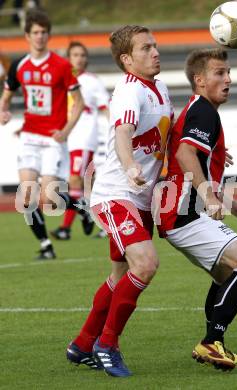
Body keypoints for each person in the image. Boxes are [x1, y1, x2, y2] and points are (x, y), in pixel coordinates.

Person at [66, 25, 173, 377]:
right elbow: (123, 135)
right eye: (146, 48)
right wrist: (129, 168)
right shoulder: (129, 93)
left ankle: (82, 344)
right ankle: (107, 344)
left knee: (119, 276)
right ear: (127, 60)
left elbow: (161, 139)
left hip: (140, 197)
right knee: (145, 264)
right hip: (116, 193)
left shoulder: (159, 87)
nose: (155, 52)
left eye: (155, 46)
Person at [156, 48, 237, 371]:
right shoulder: (204, 111)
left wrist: (231, 203)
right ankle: (210, 342)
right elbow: (186, 154)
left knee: (227, 273)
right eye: (219, 73)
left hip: (179, 210)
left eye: (228, 73)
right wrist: (210, 196)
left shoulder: (200, 110)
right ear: (199, 81)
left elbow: (192, 159)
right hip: (183, 212)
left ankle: (214, 345)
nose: (227, 79)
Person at [0, 9, 94, 260]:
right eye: (36, 33)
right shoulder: (19, 65)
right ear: (27, 36)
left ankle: (81, 207)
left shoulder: (62, 66)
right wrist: (4, 111)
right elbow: (7, 95)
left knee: (49, 199)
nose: (40, 37)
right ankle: (45, 246)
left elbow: (80, 101)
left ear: (48, 35)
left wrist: (65, 131)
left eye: (44, 32)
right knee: (26, 198)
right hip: (30, 137)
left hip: (53, 140)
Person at [51, 41, 110, 240]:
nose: (80, 58)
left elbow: (106, 108)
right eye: (75, 54)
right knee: (88, 186)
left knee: (75, 180)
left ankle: (66, 228)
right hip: (68, 138)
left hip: (84, 137)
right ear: (69, 58)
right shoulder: (63, 79)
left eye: (83, 55)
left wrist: (118, 131)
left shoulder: (92, 81)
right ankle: (102, 222)